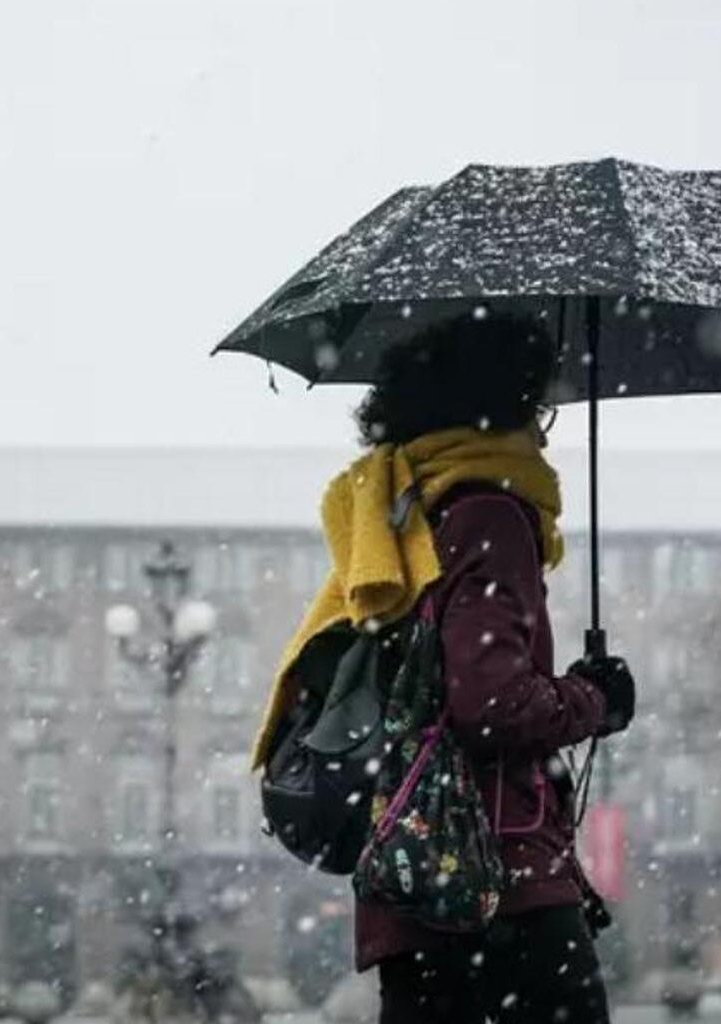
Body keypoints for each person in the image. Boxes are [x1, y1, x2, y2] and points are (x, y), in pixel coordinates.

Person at [256, 309, 637, 1024]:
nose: (545, 426)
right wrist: (593, 699)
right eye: (538, 404)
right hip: (494, 881)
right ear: (507, 405)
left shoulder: (401, 513)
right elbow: (491, 706)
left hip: (411, 880)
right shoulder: (488, 514)